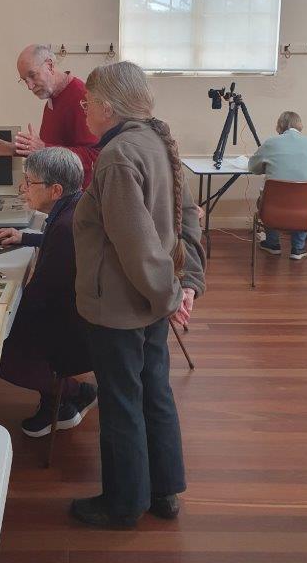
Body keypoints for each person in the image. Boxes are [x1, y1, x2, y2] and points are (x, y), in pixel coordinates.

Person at [70, 61, 206, 529]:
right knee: (154, 394)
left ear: (107, 107)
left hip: (121, 309)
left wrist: (173, 294)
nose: (84, 111)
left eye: (88, 103)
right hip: (149, 303)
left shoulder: (118, 155)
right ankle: (163, 492)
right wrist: (184, 287)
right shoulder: (155, 143)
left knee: (122, 404)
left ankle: (123, 504)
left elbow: (138, 247)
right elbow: (188, 220)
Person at [0, 147, 97, 437]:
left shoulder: (66, 227)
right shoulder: (72, 207)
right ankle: (59, 402)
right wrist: (24, 237)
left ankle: (74, 391)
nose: (23, 188)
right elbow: (54, 243)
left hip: (77, 332)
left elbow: (40, 296)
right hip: (79, 315)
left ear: (55, 190)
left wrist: (1, 309)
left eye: (29, 182)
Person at [0, 44, 99, 187]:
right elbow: (55, 149)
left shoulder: (80, 97)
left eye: (32, 75)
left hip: (77, 200)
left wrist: (44, 149)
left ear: (50, 66)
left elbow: (95, 157)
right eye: (24, 80)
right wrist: (17, 150)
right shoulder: (53, 97)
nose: (30, 86)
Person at [248, 110, 307, 259]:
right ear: (300, 126)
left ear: (279, 127)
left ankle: (272, 244)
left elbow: (252, 168)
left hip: (273, 211)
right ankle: (298, 248)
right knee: (305, 200)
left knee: (266, 198)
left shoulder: (270, 143)